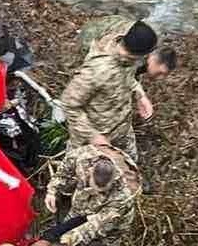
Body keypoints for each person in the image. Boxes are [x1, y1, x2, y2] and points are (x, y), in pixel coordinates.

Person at [60, 19, 158, 161]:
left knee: (129, 169)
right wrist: (93, 136)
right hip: (92, 142)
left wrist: (140, 95)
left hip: (122, 130)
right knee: (81, 178)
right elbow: (69, 104)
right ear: (139, 54)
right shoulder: (97, 70)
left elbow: (128, 77)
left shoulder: (129, 57)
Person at [79, 15, 178, 81]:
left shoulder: (147, 48)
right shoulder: (132, 52)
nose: (160, 78)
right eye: (160, 73)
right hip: (93, 33)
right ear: (154, 60)